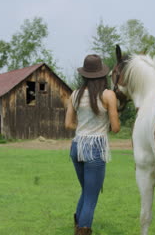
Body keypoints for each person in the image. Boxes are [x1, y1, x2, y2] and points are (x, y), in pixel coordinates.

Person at [65, 54, 120, 235]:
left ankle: (78, 222)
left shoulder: (75, 94)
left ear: (84, 75)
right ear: (102, 74)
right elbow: (116, 127)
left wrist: (84, 128)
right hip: (95, 148)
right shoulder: (108, 95)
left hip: (77, 146)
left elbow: (68, 124)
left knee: (87, 191)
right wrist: (101, 128)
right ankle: (83, 229)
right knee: (91, 195)